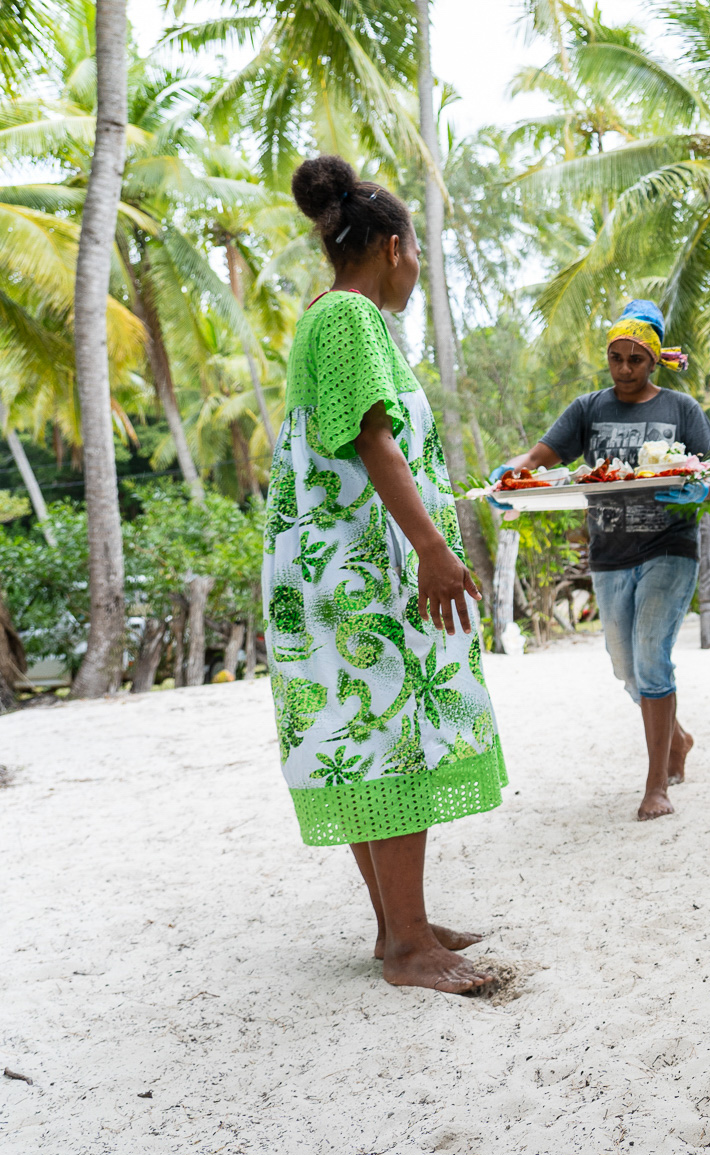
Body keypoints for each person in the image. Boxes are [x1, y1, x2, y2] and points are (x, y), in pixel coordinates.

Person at [263, 155, 503, 995]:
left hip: (333, 560)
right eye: (418, 260)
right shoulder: (355, 320)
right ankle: (407, 946)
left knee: (369, 733)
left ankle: (397, 925)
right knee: (395, 732)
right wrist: (434, 549)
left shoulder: (326, 319)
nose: (417, 276)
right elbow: (374, 439)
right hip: (362, 560)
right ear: (395, 248)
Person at [499, 301, 710, 821]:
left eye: (635, 359)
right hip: (609, 555)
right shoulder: (588, 409)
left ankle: (655, 787)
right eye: (616, 358)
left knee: (650, 655)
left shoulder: (681, 410)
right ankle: (678, 738)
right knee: (625, 667)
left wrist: (701, 491)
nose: (624, 369)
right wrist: (504, 478)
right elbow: (537, 459)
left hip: (669, 549)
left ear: (653, 360)